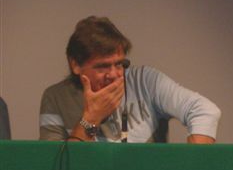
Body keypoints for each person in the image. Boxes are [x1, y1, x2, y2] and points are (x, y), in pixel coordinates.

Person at [40, 16, 221, 143]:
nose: (114, 74)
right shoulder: (55, 98)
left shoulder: (146, 82)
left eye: (119, 64)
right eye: (103, 66)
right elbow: (58, 166)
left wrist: (193, 165)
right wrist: (91, 118)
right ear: (76, 65)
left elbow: (204, 110)